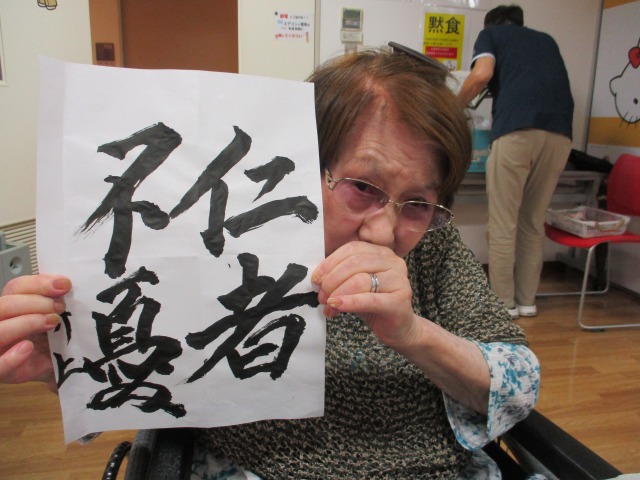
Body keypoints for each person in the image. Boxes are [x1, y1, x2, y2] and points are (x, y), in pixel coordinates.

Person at [0, 45, 540, 479]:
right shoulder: (218, 240)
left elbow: (517, 389)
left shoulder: (433, 244)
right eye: (362, 187)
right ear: (304, 163)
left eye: (417, 202)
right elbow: (147, 377)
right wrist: (68, 361)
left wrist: (413, 333)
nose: (383, 231)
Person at [458, 5, 574, 319]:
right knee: (533, 222)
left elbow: (481, 74)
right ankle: (527, 301)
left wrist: (454, 107)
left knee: (502, 223)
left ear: (490, 25)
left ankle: (504, 305)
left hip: (516, 133)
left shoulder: (491, 35)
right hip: (560, 136)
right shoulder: (546, 41)